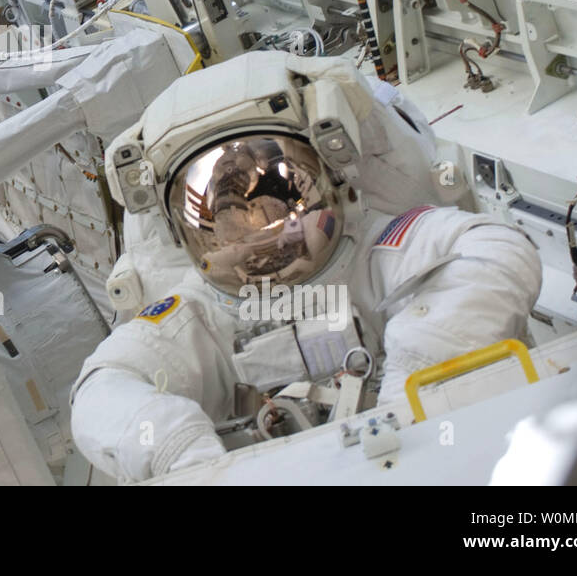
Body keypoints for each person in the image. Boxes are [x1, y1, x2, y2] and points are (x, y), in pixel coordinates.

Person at [71, 51, 542, 482]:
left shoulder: (381, 246)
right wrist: (182, 450)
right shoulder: (199, 314)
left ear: (332, 179)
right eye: (223, 218)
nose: (256, 234)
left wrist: (417, 374)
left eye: (276, 204)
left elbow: (494, 250)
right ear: (183, 231)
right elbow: (102, 390)